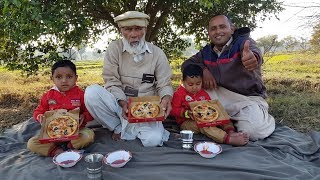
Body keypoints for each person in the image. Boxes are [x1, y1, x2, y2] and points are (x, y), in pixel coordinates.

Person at [84, 11, 173, 147]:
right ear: (121, 30)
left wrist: (166, 98)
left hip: (147, 109)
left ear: (145, 29)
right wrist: (122, 102)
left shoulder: (157, 53)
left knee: (153, 140)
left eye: (138, 29)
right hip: (121, 104)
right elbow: (111, 80)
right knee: (91, 93)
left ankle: (129, 129)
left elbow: (164, 83)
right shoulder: (114, 49)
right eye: (128, 29)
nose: (133, 34)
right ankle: (118, 127)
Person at [182, 14, 275, 141]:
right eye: (213, 28)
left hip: (246, 99)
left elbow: (254, 53)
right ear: (209, 33)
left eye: (222, 27)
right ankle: (224, 122)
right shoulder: (206, 52)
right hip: (219, 96)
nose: (218, 31)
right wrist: (203, 70)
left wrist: (253, 58)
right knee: (190, 87)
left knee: (253, 132)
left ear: (232, 29)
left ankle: (258, 117)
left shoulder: (243, 43)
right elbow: (187, 64)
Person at [27, 60, 95, 157]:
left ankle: (70, 147)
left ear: (76, 78)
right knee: (32, 143)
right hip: (53, 134)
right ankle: (56, 151)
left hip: (76, 132)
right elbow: (39, 111)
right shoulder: (48, 95)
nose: (64, 80)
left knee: (89, 136)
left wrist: (84, 116)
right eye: (59, 77)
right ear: (52, 79)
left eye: (69, 77)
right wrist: (40, 116)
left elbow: (90, 112)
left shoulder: (81, 94)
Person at [170, 64, 249, 146]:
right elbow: (172, 110)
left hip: (205, 117)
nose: (194, 87)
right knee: (204, 125)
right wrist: (186, 113)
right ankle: (226, 139)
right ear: (182, 82)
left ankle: (230, 131)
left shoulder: (202, 92)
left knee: (220, 112)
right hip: (187, 123)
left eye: (198, 84)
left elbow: (209, 105)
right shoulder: (179, 94)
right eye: (190, 85)